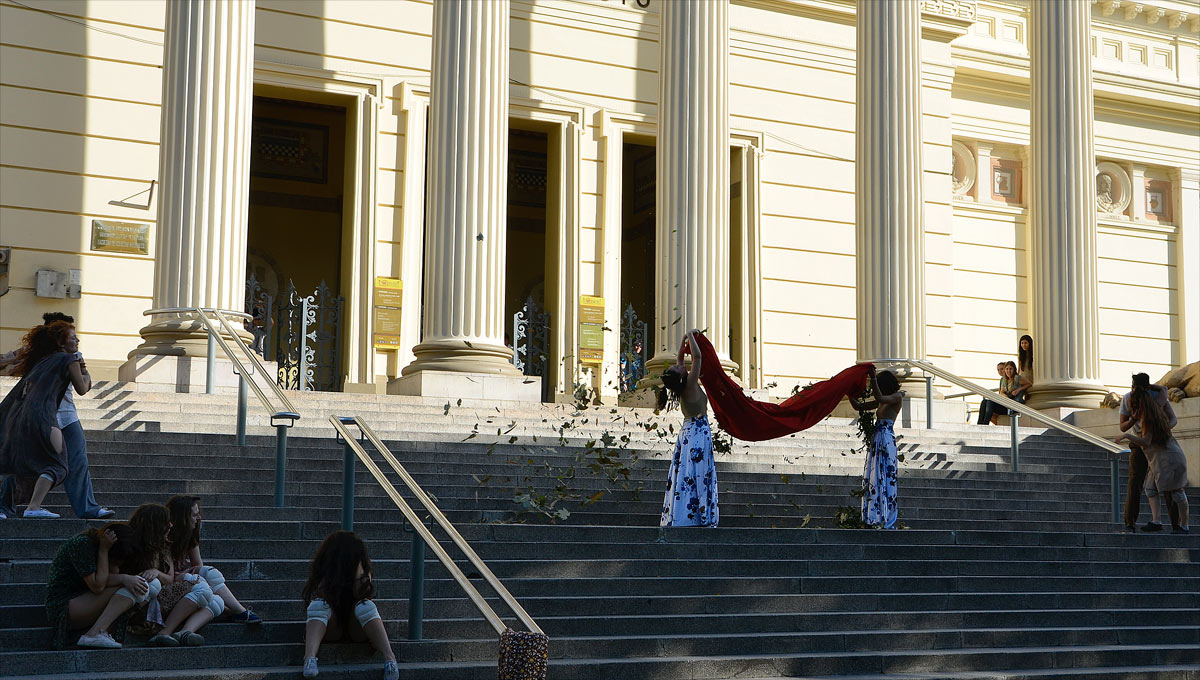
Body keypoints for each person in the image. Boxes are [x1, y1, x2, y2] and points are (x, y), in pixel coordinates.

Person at [1, 314, 112, 520]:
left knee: (77, 460)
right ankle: (8, 507)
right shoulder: (40, 353)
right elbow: (84, 388)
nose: (76, 339)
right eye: (70, 333)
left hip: (63, 415)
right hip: (42, 416)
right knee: (25, 462)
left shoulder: (70, 355)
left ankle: (88, 508)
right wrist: (14, 360)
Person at [45, 522, 162, 649]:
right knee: (132, 587)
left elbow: (108, 578)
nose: (116, 567)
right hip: (64, 606)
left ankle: (101, 630)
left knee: (151, 585)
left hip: (85, 601)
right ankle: (94, 633)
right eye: (115, 561)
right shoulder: (82, 544)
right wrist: (104, 550)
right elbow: (98, 585)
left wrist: (128, 577)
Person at [301, 531, 398, 680]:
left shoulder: (363, 570)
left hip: (356, 627)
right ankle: (309, 659)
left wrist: (358, 573)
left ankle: (390, 659)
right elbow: (322, 594)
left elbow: (362, 595)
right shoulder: (325, 570)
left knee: (365, 606)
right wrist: (334, 575)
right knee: (318, 605)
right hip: (333, 626)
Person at [128, 503, 219, 646]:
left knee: (216, 600)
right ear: (154, 524)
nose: (170, 525)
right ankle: (163, 633)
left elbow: (169, 578)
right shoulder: (132, 547)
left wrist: (157, 572)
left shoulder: (164, 546)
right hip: (143, 603)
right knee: (202, 588)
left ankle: (184, 632)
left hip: (161, 596)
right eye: (166, 522)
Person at [165, 494, 261, 623]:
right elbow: (168, 577)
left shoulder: (189, 535)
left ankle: (240, 612)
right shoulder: (165, 536)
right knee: (198, 580)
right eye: (194, 515)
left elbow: (199, 566)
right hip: (166, 586)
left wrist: (189, 573)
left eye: (198, 514)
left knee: (210, 574)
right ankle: (236, 611)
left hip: (182, 580)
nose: (198, 518)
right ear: (182, 518)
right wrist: (185, 574)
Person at [658, 329, 718, 528]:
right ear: (680, 375)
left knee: (686, 472)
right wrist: (690, 335)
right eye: (677, 368)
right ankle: (699, 515)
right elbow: (698, 357)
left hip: (689, 431)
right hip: (697, 431)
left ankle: (689, 513)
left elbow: (681, 361)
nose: (679, 365)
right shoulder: (690, 383)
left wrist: (684, 339)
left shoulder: (681, 384)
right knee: (698, 472)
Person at [1116, 379, 1190, 534]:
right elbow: (1164, 388)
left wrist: (1127, 436)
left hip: (1164, 455)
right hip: (1152, 454)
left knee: (1174, 490)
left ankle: (1182, 525)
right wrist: (1133, 420)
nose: (1133, 407)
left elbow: (1148, 439)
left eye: (1135, 405)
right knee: (1148, 487)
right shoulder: (1137, 398)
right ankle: (1154, 521)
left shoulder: (1152, 411)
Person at [852, 369, 904, 529]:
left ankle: (887, 515)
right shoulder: (882, 401)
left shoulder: (897, 396)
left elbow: (879, 397)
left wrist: (873, 377)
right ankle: (873, 515)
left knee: (885, 475)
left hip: (886, 438)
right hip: (877, 437)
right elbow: (858, 406)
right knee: (875, 475)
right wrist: (849, 392)